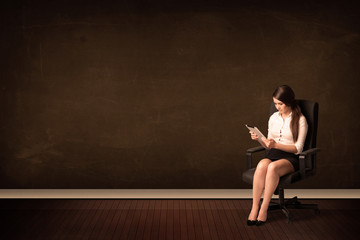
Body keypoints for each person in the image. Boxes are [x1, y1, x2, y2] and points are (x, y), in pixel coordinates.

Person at [247, 85, 308, 226]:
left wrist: (275, 145)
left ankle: (264, 208)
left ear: (289, 102)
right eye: (275, 104)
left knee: (273, 167)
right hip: (273, 153)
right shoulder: (273, 117)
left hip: (290, 157)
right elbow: (268, 143)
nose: (277, 107)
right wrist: (259, 139)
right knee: (262, 164)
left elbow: (298, 149)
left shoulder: (300, 120)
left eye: (280, 104)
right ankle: (255, 207)